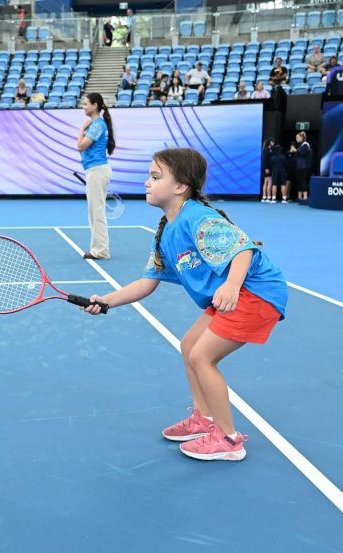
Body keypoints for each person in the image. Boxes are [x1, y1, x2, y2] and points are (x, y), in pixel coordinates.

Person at [82, 148, 287, 462]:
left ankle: (229, 440)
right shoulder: (165, 231)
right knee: (189, 344)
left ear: (180, 187)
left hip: (254, 292)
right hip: (235, 293)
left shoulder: (198, 217)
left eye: (155, 176)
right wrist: (106, 301)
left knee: (202, 356)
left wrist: (231, 285)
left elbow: (243, 248)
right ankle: (203, 420)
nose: (146, 183)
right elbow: (147, 282)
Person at [77, 93, 115, 260]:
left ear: (94, 106)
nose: (84, 106)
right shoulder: (96, 124)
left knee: (97, 212)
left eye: (86, 103)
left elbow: (81, 146)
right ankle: (98, 249)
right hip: (94, 170)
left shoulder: (97, 125)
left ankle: (101, 251)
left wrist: (80, 130)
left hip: (97, 170)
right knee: (94, 211)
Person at [295, 131, 312, 202]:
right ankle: (299, 197)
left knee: (303, 181)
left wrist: (296, 150)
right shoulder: (300, 145)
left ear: (301, 137)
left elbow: (303, 154)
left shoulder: (305, 144)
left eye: (297, 137)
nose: (296, 139)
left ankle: (305, 197)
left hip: (304, 166)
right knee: (299, 181)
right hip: (299, 166)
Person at [261, 138, 274, 202]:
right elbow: (265, 160)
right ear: (269, 142)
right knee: (268, 182)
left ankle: (264, 196)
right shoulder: (267, 150)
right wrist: (266, 168)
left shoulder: (269, 149)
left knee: (266, 182)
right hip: (267, 168)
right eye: (272, 142)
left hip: (268, 167)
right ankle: (267, 197)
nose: (273, 143)